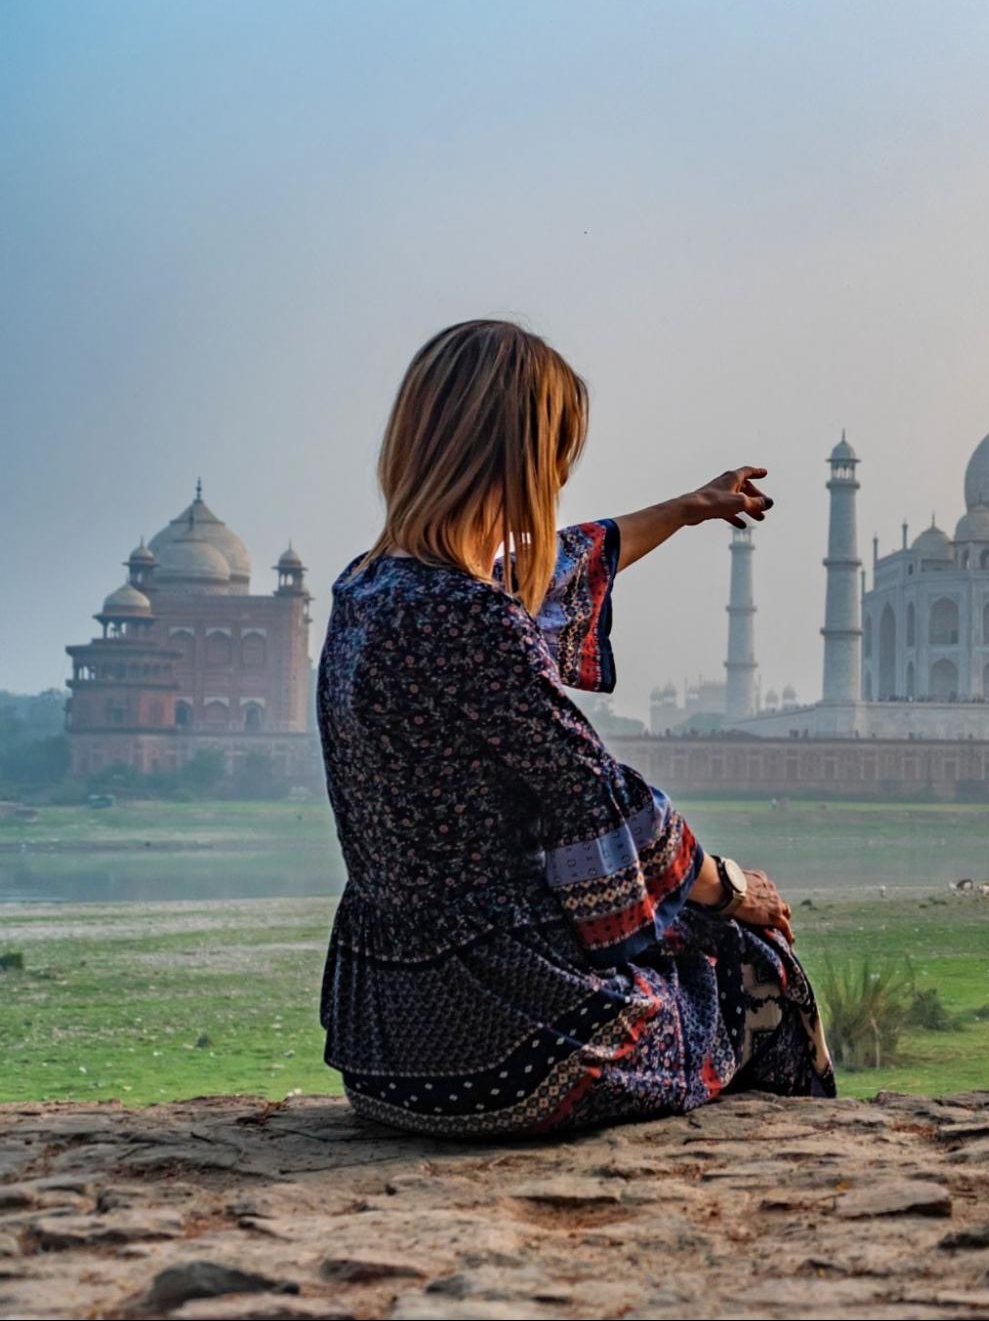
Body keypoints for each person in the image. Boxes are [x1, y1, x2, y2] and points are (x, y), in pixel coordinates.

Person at [316, 318, 833, 1138]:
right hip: (500, 1044)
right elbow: (606, 799)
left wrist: (689, 508)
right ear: (521, 460)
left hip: (383, 1046)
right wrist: (736, 889)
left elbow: (547, 569)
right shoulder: (472, 619)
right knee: (750, 966)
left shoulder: (367, 592)